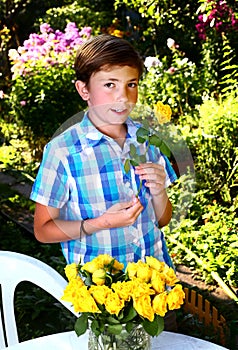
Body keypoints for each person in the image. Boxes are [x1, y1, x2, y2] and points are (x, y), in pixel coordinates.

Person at [30, 33, 177, 275]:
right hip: (102, 301)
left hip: (157, 287)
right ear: (83, 89)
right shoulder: (62, 152)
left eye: (131, 84)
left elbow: (162, 220)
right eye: (110, 85)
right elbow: (43, 230)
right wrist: (101, 223)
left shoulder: (148, 141)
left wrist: (159, 191)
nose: (123, 96)